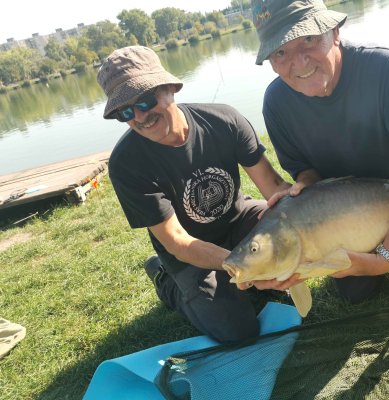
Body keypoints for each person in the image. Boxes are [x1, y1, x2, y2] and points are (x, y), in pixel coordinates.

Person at [246, 0, 389, 302]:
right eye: (281, 52)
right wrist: (304, 190)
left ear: (334, 31)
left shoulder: (388, 69)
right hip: (348, 215)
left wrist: (384, 258)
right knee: (354, 294)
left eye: (308, 40)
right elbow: (304, 170)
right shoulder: (276, 104)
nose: (298, 63)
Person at [96, 46, 298, 343]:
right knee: (238, 333)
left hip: (239, 219)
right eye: (126, 111)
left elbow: (275, 189)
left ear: (169, 88)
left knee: (285, 241)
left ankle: (250, 277)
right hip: (186, 253)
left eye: (145, 100)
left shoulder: (224, 120)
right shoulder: (127, 164)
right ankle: (167, 281)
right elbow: (179, 242)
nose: (140, 116)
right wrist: (240, 265)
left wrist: (310, 230)